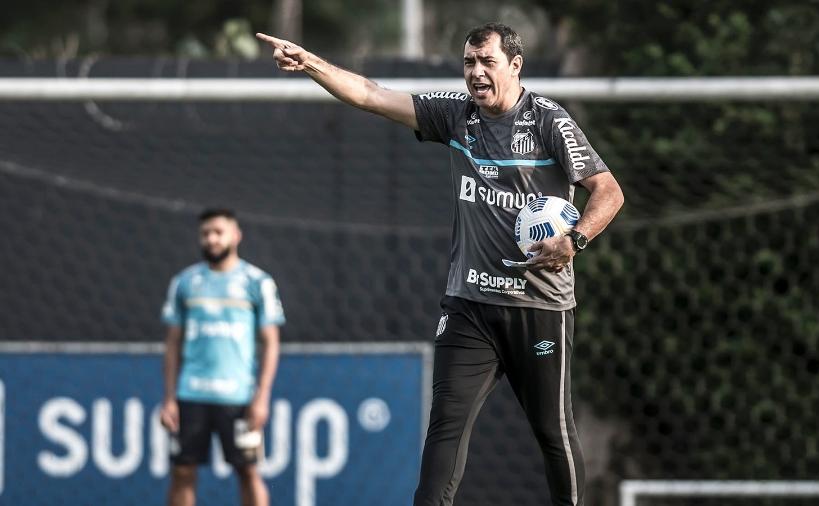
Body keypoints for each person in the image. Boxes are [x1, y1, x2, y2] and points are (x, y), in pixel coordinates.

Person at [258, 22, 623, 506]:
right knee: (444, 431)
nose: (475, 73)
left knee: (553, 432)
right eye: (469, 62)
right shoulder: (455, 115)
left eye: (487, 62)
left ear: (515, 66)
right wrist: (311, 64)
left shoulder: (548, 121)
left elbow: (608, 191)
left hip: (538, 306)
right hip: (469, 306)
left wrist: (573, 240)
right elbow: (370, 94)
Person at [159, 208, 285, 506]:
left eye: (218, 232)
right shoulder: (185, 282)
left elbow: (270, 342)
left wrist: (262, 397)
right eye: (205, 233)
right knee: (182, 471)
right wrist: (169, 398)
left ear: (235, 235)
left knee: (248, 471)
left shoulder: (257, 282)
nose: (212, 239)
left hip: (238, 397)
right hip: (191, 394)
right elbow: (173, 343)